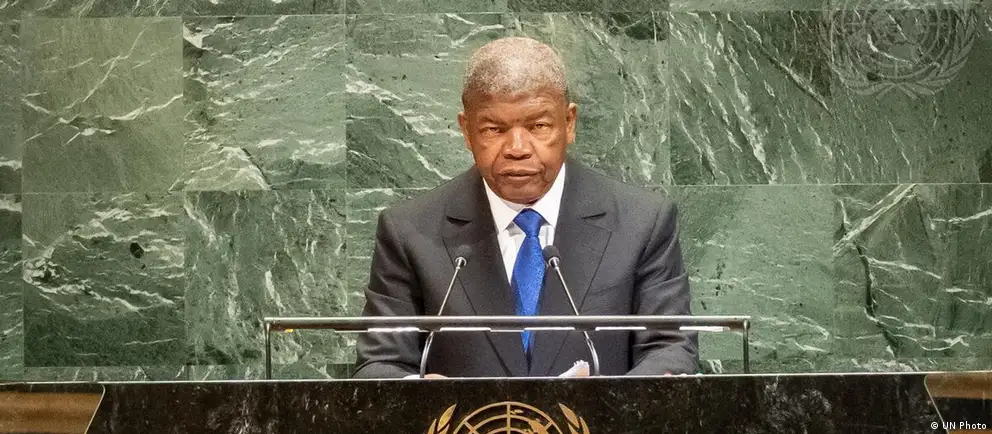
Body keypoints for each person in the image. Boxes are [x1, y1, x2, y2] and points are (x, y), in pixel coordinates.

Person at [353, 36, 697, 378]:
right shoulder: (410, 232)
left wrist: (609, 402)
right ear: (466, 131)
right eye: (494, 129)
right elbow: (380, 365)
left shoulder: (642, 223)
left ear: (569, 123)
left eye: (538, 126)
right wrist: (425, 396)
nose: (517, 148)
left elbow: (669, 350)